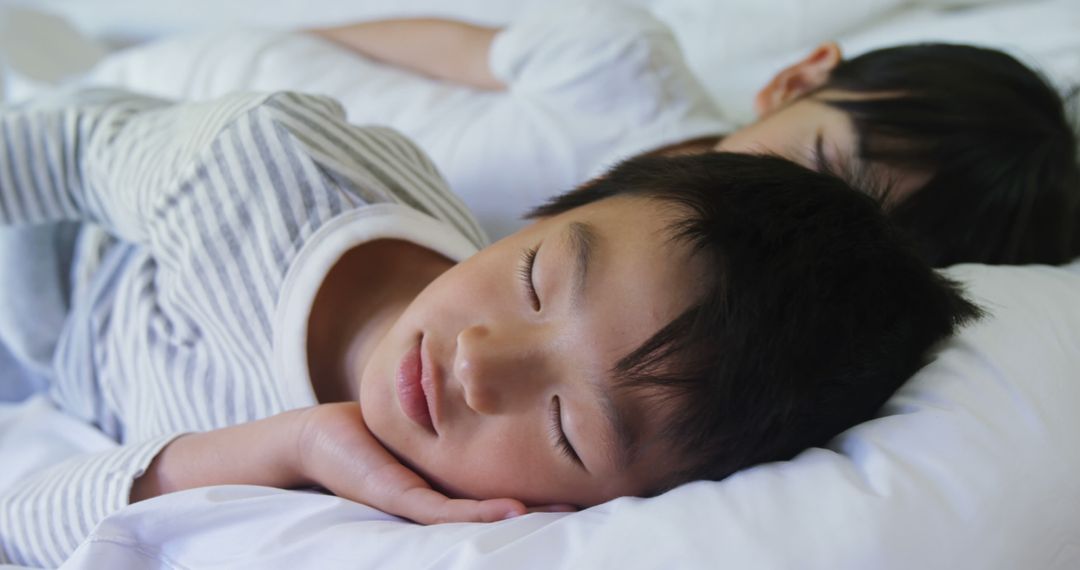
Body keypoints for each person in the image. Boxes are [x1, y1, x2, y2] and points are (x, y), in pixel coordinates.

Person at [0, 87, 979, 567]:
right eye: (537, 278)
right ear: (563, 206)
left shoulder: (427, 510)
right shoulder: (255, 167)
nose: (479, 366)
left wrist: (286, 443)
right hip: (47, 257)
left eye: (567, 428)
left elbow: (26, 521)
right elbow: (68, 144)